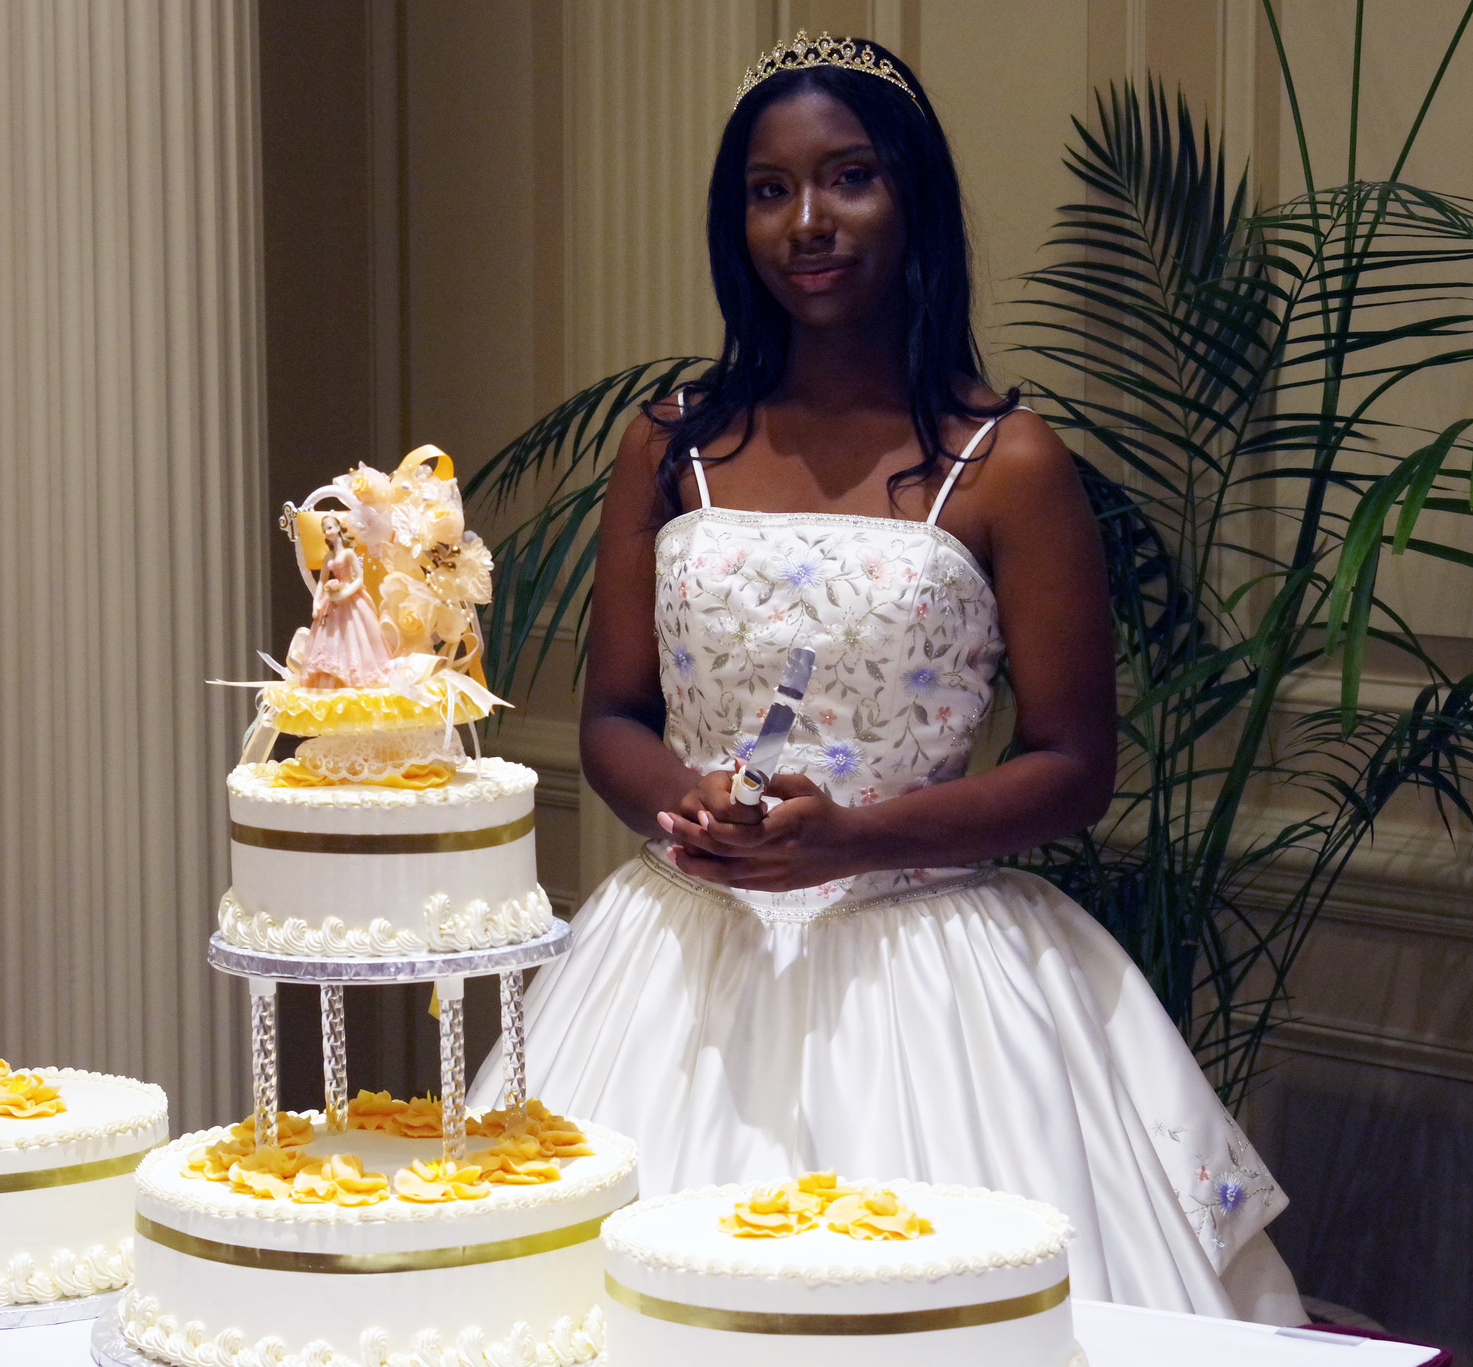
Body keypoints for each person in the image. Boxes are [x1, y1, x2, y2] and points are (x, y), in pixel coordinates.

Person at [469, 34, 1302, 1323]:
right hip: (671, 961)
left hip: (931, 972)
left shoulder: (1008, 461)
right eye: (767, 188)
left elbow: (1072, 766)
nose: (807, 220)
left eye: (847, 178)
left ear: (910, 196)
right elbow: (614, 716)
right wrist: (684, 805)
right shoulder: (671, 444)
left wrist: (853, 838)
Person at [300, 514, 391, 689]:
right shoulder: (328, 558)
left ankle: (358, 674)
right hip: (332, 600)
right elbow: (321, 581)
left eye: (330, 527)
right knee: (330, 637)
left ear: (338, 528)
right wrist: (316, 602)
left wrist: (346, 592)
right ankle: (333, 674)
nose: (327, 532)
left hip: (351, 597)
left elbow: (359, 578)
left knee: (355, 634)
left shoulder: (349, 553)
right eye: (324, 529)